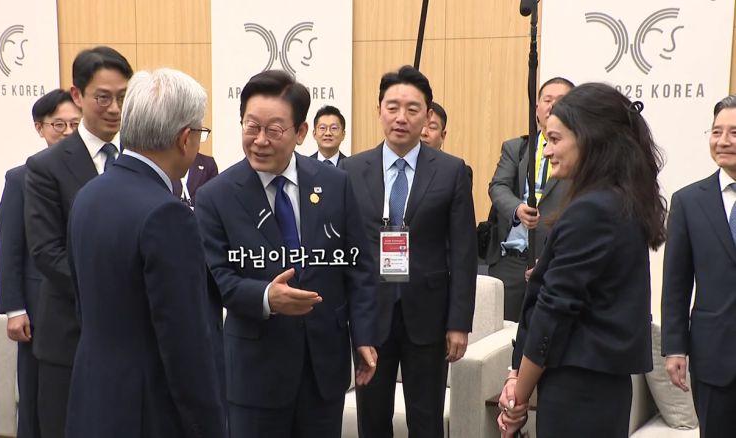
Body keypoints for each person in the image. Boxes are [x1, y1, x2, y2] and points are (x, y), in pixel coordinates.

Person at [195, 69, 377, 438]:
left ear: (301, 132)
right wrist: (266, 297)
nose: (260, 140)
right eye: (251, 127)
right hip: (255, 373)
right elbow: (218, 278)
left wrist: (363, 336)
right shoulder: (215, 196)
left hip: (322, 369)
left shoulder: (335, 184)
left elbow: (358, 266)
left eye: (274, 130)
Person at [498, 83, 667, 437]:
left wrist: (518, 398)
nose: (547, 151)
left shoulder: (593, 210)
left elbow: (554, 312)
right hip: (597, 389)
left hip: (579, 393)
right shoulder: (615, 200)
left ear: (589, 139)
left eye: (555, 140)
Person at [66, 68, 225, 438]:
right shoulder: (168, 214)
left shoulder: (89, 194)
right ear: (185, 138)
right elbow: (185, 344)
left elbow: (84, 306)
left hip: (92, 398)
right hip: (148, 412)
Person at [341, 65, 477, 438]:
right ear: (379, 110)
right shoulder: (351, 170)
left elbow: (464, 252)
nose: (401, 117)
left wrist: (459, 322)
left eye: (412, 109)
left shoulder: (451, 171)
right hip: (370, 315)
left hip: (429, 316)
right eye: (393, 107)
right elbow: (344, 247)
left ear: (427, 115)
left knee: (426, 420)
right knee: (372, 419)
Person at [24, 46, 132, 438]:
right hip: (70, 337)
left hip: (131, 340)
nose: (114, 108)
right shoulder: (46, 167)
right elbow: (47, 252)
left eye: (122, 97)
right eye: (103, 97)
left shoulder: (139, 158)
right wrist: (116, 290)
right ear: (77, 95)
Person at [0, 89, 80, 438]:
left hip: (78, 305)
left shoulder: (96, 175)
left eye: (75, 124)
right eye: (59, 124)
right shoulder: (21, 178)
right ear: (39, 128)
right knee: (34, 397)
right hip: (36, 308)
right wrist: (14, 308)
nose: (68, 131)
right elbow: (10, 248)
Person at [662, 94, 736, 438]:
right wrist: (674, 347)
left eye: (734, 132)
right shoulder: (688, 202)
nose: (723, 141)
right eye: (717, 131)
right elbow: (676, 284)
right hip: (714, 357)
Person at [486, 77, 574, 322]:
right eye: (547, 100)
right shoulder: (516, 148)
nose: (552, 106)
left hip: (553, 263)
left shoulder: (581, 154)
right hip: (510, 262)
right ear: (536, 108)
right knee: (502, 335)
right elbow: (498, 186)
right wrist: (517, 208)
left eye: (561, 101)